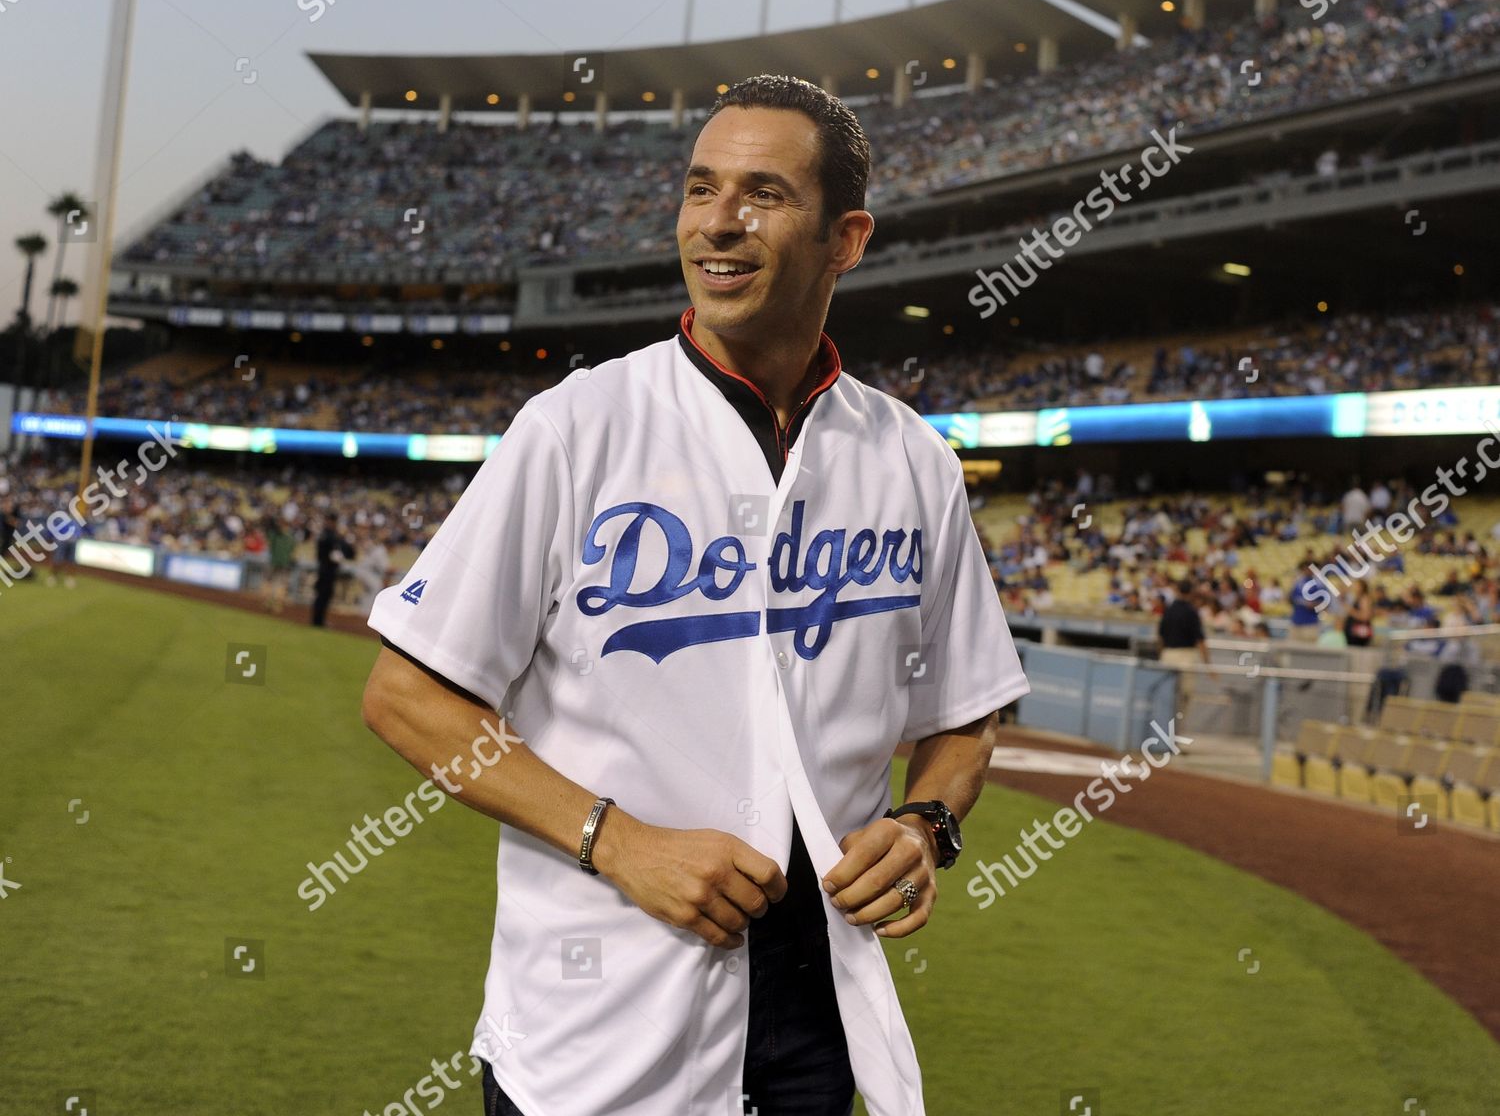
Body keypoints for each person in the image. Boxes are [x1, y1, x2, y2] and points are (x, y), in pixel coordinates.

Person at [361, 75, 1029, 1116]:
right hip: (593, 1037)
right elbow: (406, 697)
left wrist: (927, 823)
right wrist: (616, 841)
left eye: (762, 193)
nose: (718, 222)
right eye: (700, 189)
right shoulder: (576, 428)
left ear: (844, 239)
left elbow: (968, 714)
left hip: (816, 1028)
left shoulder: (912, 461)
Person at [1158, 576, 1209, 727]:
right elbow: (1200, 640)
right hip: (1186, 657)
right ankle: (1174, 737)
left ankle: (1161, 735)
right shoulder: (1192, 612)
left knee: (1165, 697)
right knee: (1184, 698)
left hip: (1168, 655)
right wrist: (1208, 665)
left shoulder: (1168, 610)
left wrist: (1162, 654)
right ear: (1191, 592)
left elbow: (1160, 638)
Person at [310, 517, 352, 627]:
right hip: (326, 569)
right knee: (323, 595)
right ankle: (317, 620)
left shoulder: (328, 535)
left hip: (327, 569)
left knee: (324, 595)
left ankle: (318, 620)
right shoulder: (329, 536)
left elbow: (350, 552)